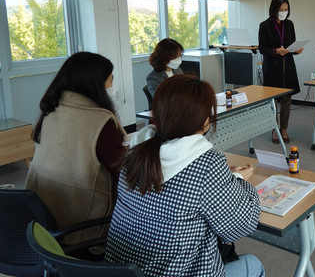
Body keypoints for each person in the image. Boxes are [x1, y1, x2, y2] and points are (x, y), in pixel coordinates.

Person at [105, 75, 264, 277]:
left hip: (123, 272)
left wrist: (225, 180)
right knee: (253, 264)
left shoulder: (135, 152)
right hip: (180, 272)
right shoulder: (206, 165)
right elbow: (241, 225)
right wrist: (240, 181)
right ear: (205, 120)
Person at [26, 52, 127, 243]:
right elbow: (122, 173)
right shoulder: (100, 121)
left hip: (44, 218)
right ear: (94, 83)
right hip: (82, 225)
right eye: (110, 78)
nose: (112, 85)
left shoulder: (53, 109)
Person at [258, 0, 303, 143]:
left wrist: (296, 50)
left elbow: (292, 44)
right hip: (272, 67)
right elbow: (262, 48)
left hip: (287, 67)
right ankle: (274, 129)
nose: (284, 12)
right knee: (273, 101)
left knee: (287, 100)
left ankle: (284, 128)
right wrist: (276, 51)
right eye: (281, 9)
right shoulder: (264, 26)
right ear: (274, 9)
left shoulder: (289, 24)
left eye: (286, 9)